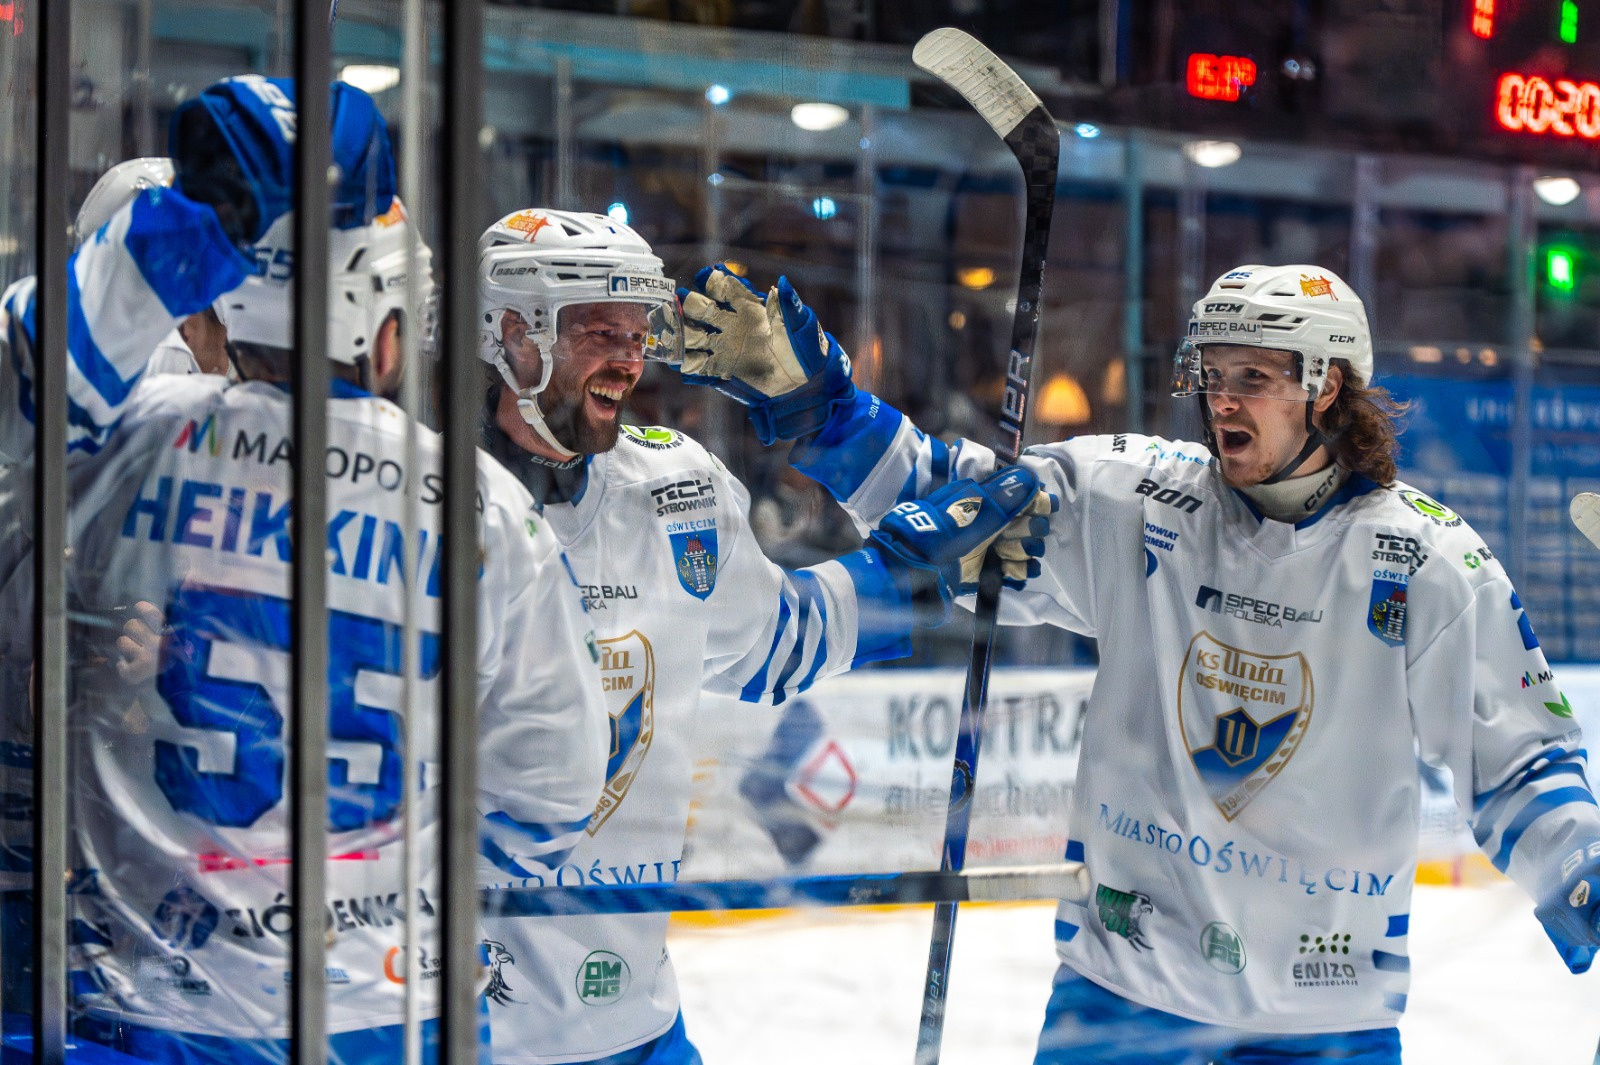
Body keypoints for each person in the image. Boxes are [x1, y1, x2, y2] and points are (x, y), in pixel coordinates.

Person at [672, 261, 1600, 1064]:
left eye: (1255, 376)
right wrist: (823, 407)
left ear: (1327, 387)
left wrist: (1583, 867)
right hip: (1120, 995)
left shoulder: (1429, 563)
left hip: (1322, 1022)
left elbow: (1521, 763)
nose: (1221, 399)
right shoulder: (1137, 495)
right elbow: (949, 505)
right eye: (1212, 371)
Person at [0, 76, 608, 1065]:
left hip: (149, 1006)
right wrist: (380, 907)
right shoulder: (483, 505)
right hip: (389, 1020)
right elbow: (555, 791)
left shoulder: (121, 446)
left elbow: (29, 387)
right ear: (383, 330)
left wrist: (158, 246)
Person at [471, 208, 1048, 1065]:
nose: (630, 358)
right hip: (460, 1023)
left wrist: (907, 559)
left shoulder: (675, 489)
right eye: (599, 330)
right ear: (512, 332)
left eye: (640, 332)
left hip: (638, 1024)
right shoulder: (424, 497)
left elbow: (777, 641)